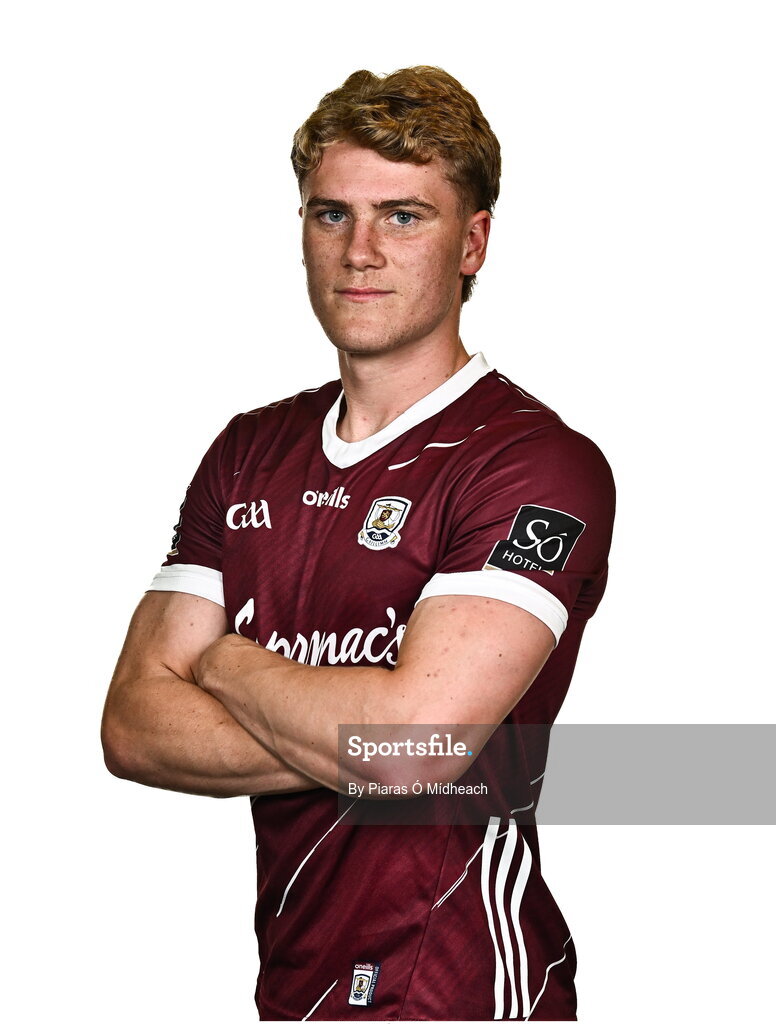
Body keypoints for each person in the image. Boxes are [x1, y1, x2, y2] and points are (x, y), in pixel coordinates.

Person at [101, 66, 615, 1021]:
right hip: (292, 986)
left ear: (474, 243)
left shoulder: (535, 463)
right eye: (330, 214)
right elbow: (132, 726)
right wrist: (380, 736)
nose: (361, 251)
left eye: (405, 216)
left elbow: (413, 747)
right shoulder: (249, 450)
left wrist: (223, 664)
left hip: (459, 987)